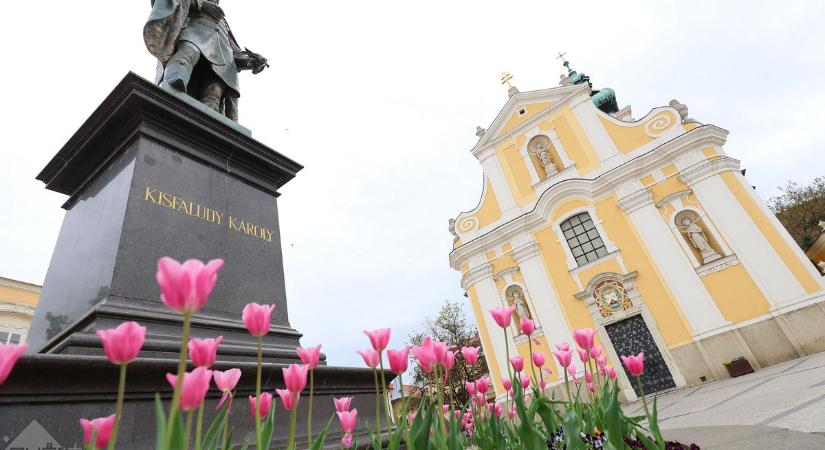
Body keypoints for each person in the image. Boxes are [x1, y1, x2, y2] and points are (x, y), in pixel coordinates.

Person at [144, 0, 268, 121]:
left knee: (214, 91)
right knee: (186, 56)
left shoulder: (222, 21)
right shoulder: (203, 6)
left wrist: (250, 61)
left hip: (222, 58)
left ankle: (211, 126)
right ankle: (170, 92)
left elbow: (235, 54)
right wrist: (200, 4)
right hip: (193, 33)